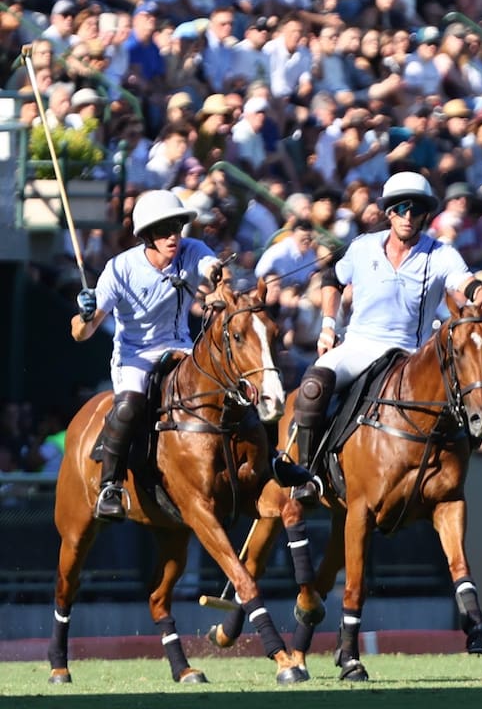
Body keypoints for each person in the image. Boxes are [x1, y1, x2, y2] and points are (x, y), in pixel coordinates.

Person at [70, 190, 311, 520]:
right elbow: (82, 334)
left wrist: (217, 279)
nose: (173, 236)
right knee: (129, 405)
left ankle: (271, 457)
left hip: (182, 347)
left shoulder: (191, 249)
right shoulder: (120, 269)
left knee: (240, 383)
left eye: (177, 228)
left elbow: (212, 268)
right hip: (135, 355)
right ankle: (110, 485)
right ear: (147, 236)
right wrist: (85, 315)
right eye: (164, 230)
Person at [289, 172, 482, 502]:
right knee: (314, 384)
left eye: (416, 209)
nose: (408, 216)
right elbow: (331, 279)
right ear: (389, 212)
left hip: (412, 355)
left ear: (425, 214)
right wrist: (328, 326)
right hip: (360, 345)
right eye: (400, 208)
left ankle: (453, 472)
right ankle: (307, 473)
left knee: (467, 396)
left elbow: (465, 282)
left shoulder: (441, 254)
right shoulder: (362, 247)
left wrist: (481, 293)